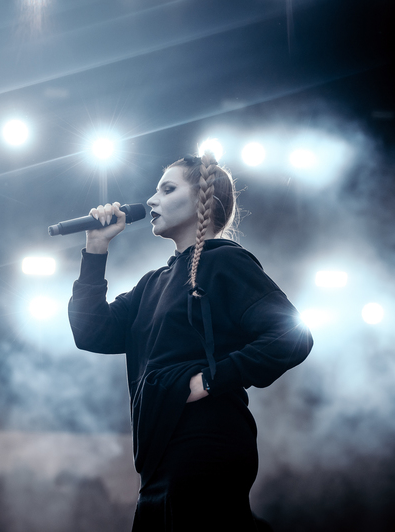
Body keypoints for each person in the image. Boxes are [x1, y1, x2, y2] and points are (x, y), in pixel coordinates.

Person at [67, 151, 313, 531]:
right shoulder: (152, 284)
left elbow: (291, 335)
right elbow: (90, 331)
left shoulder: (225, 262)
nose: (152, 200)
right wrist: (96, 247)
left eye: (167, 189)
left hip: (205, 445)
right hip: (157, 457)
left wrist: (212, 379)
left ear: (203, 201)